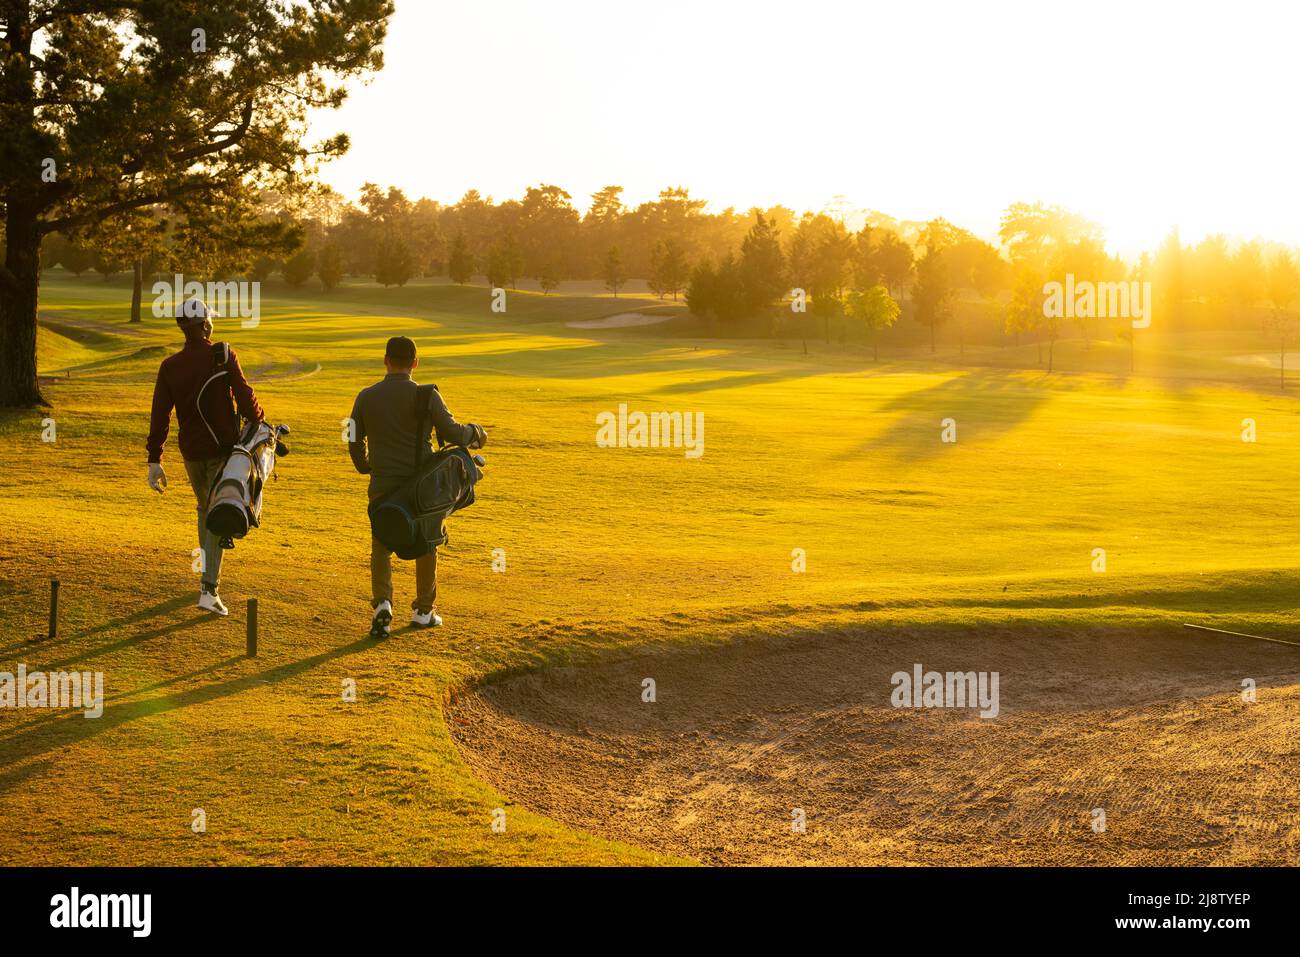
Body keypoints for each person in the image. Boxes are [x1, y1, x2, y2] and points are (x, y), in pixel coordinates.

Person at [348, 336, 486, 638]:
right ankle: (424, 611)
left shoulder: (366, 396)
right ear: (415, 363)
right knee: (428, 543)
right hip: (422, 489)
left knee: (382, 543)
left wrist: (366, 466)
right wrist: (477, 432)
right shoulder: (427, 396)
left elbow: (354, 439)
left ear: (385, 360)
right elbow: (453, 432)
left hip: (382, 486)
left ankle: (382, 604)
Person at [145, 299, 264, 616]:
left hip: (191, 453)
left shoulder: (170, 366)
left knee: (205, 508)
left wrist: (154, 459)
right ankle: (209, 590)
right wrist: (258, 416)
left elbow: (160, 416)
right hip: (221, 451)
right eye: (209, 321)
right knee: (217, 513)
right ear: (205, 325)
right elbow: (246, 399)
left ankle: (208, 578)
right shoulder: (222, 354)